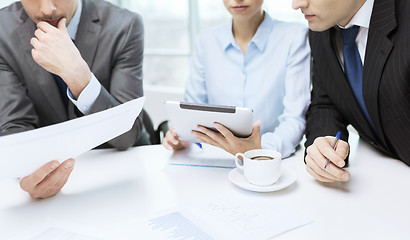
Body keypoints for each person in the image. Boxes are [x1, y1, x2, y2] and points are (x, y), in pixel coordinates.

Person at [0, 0, 146, 198]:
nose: (47, 9)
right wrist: (28, 173)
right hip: (49, 171)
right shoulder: (2, 29)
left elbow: (127, 135)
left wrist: (78, 77)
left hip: (117, 171)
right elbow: (15, 126)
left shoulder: (125, 25)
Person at [163, 0, 311, 158]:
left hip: (271, 162)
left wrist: (259, 149)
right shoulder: (206, 40)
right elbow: (193, 112)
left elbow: (294, 118)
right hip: (214, 160)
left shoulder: (295, 36)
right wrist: (184, 136)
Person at [292, 0, 410, 182]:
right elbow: (325, 102)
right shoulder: (320, 31)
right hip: (383, 181)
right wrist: (325, 143)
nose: (296, 4)